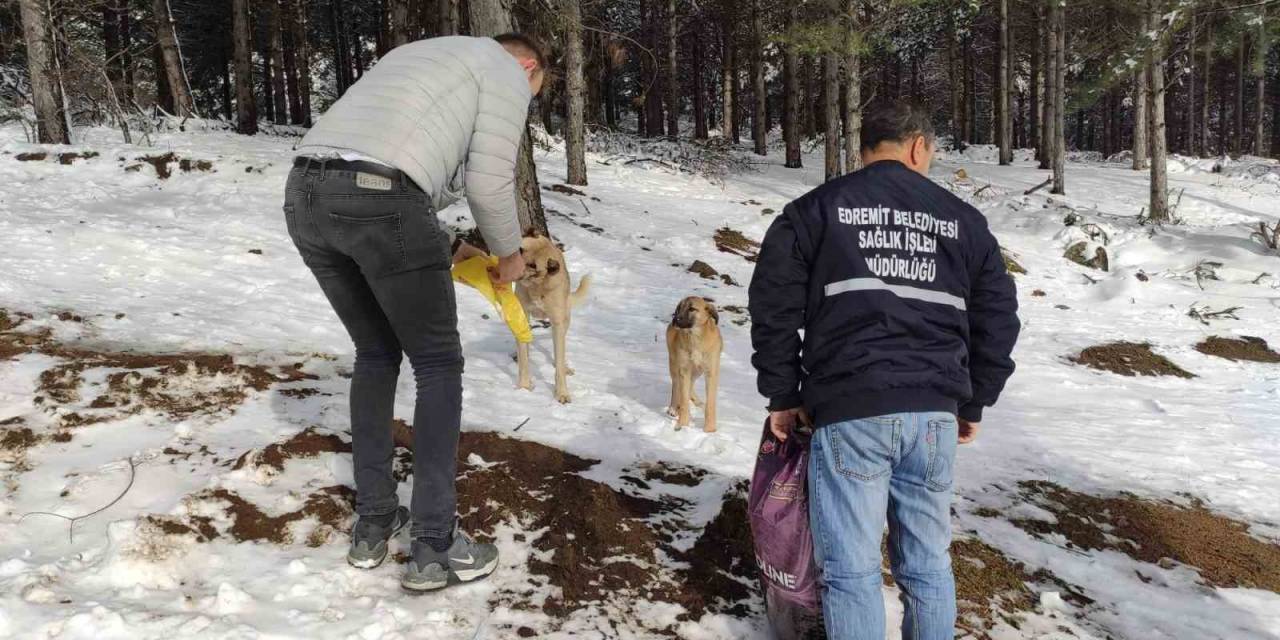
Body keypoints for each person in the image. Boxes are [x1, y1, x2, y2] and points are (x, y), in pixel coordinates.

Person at [281, 33, 546, 593]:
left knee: (376, 352)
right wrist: (508, 256)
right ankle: (435, 543)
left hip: (305, 194)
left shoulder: (420, 55)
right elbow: (486, 179)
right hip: (380, 197)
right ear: (527, 66)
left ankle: (374, 521)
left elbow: (419, 174)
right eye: (535, 91)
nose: (528, 100)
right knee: (438, 365)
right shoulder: (503, 69)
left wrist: (448, 245)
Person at [748, 100, 1020, 639]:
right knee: (927, 567)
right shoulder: (963, 221)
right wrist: (972, 401)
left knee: (851, 572)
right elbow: (998, 318)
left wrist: (782, 394)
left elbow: (773, 305)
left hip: (852, 411)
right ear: (918, 146)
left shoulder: (815, 210)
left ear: (864, 149)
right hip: (934, 417)